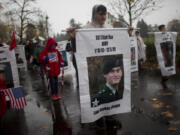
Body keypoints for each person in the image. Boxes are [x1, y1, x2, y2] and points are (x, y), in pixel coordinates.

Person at [66, 4, 121, 129]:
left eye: (105, 13)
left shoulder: (109, 27)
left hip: (107, 67)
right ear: (94, 14)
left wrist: (126, 35)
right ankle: (96, 117)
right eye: (100, 13)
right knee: (96, 93)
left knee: (109, 92)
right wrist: (74, 38)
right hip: (93, 69)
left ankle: (110, 117)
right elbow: (77, 51)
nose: (103, 16)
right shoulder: (85, 30)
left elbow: (117, 44)